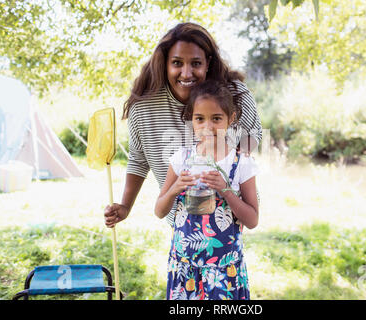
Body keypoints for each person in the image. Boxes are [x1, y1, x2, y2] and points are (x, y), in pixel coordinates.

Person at [104, 22, 262, 229]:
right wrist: (125, 205)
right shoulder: (144, 108)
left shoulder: (234, 96)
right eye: (177, 63)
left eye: (195, 63)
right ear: (165, 64)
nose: (186, 74)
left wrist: (237, 163)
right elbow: (139, 159)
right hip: (181, 221)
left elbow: (254, 133)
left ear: (208, 63)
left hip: (230, 217)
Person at [155, 80, 259, 300]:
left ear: (231, 119)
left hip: (224, 271)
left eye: (217, 119)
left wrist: (226, 190)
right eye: (199, 118)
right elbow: (159, 210)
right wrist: (175, 188)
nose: (207, 127)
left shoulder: (241, 163)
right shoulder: (181, 159)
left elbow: (252, 220)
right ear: (191, 119)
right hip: (184, 267)